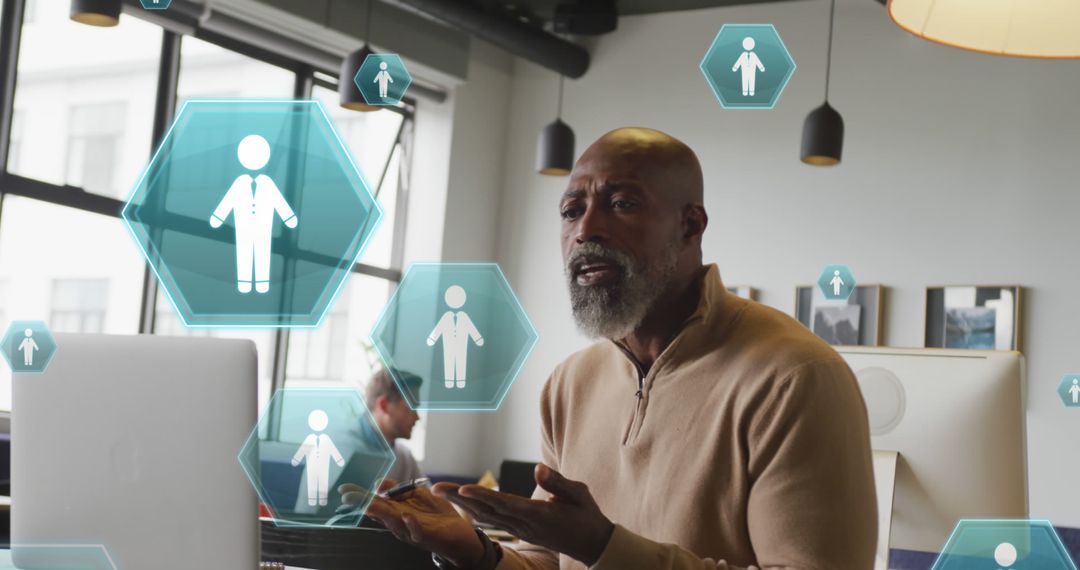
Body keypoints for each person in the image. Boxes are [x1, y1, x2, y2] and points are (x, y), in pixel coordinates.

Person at [343, 127, 877, 570]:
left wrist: (604, 548)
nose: (586, 231)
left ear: (690, 225)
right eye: (571, 210)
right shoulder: (570, 384)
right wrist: (478, 552)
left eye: (621, 204)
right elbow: (546, 561)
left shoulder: (794, 376)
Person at [209, 134, 298, 294]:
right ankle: (244, 282)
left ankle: (262, 282)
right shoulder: (240, 183)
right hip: (243, 228)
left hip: (264, 227)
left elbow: (279, 201)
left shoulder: (267, 183)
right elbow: (227, 201)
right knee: (243, 252)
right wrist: (218, 218)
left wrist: (288, 217)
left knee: (263, 252)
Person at [361, 368, 423, 483]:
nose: (417, 418)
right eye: (410, 408)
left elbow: (427, 496)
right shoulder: (344, 449)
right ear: (384, 405)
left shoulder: (405, 456)